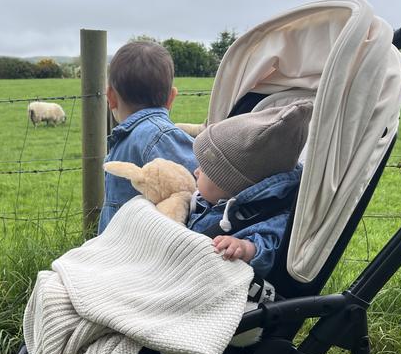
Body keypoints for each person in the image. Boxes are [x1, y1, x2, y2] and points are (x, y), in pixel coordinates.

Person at [188, 101, 313, 276]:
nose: (195, 172)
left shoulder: (272, 215)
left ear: (229, 183)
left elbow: (271, 247)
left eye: (204, 169)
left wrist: (245, 248)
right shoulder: (209, 197)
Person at [98, 41, 197, 233]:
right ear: (171, 98)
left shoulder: (158, 137)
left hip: (127, 251)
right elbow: (199, 185)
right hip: (144, 252)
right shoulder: (160, 137)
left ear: (110, 97)